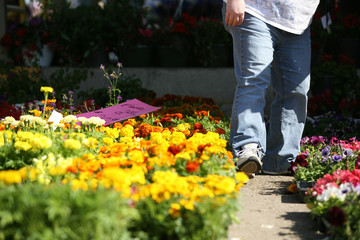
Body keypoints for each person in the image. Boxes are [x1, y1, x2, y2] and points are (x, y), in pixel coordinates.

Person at [222, 0, 320, 176]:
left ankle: (281, 160)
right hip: (254, 10)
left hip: (297, 21)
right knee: (254, 79)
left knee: (297, 89)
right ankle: (248, 147)